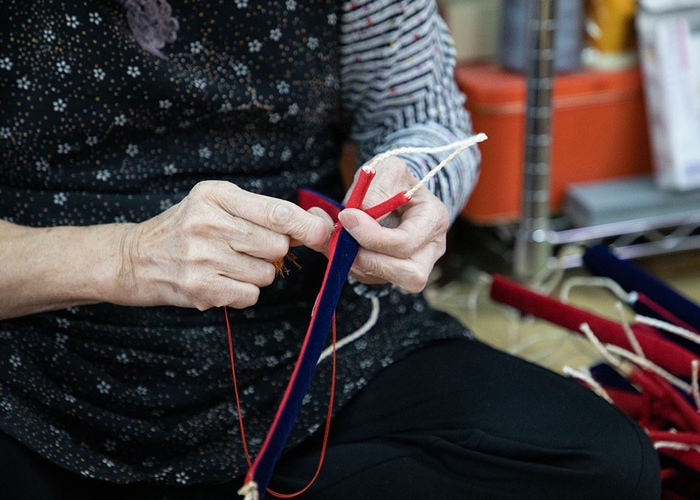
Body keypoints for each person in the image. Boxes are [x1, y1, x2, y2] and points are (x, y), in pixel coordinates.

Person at [0, 0, 660, 499]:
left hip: (314, 340)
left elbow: (422, 118)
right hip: (36, 358)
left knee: (603, 465)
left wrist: (409, 185)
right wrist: (126, 256)